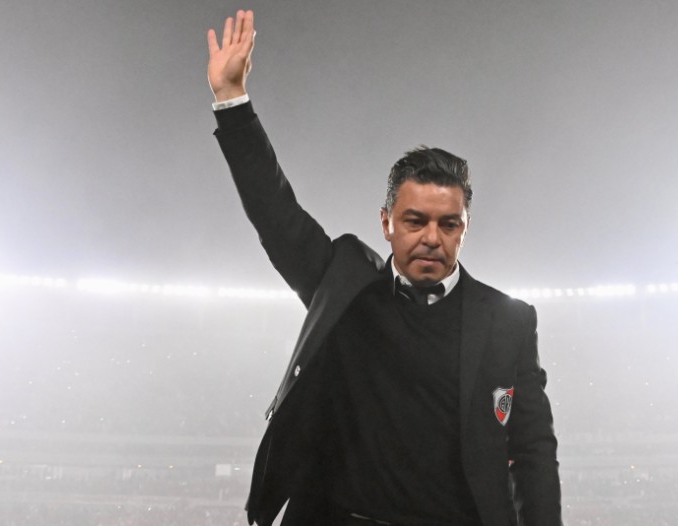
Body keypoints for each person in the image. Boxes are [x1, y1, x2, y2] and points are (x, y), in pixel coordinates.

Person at [207, 10, 561, 526]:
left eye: (448, 224)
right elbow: (276, 215)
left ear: (465, 228)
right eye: (415, 221)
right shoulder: (347, 289)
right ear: (386, 223)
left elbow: (532, 451)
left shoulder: (508, 321)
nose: (432, 238)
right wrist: (232, 101)